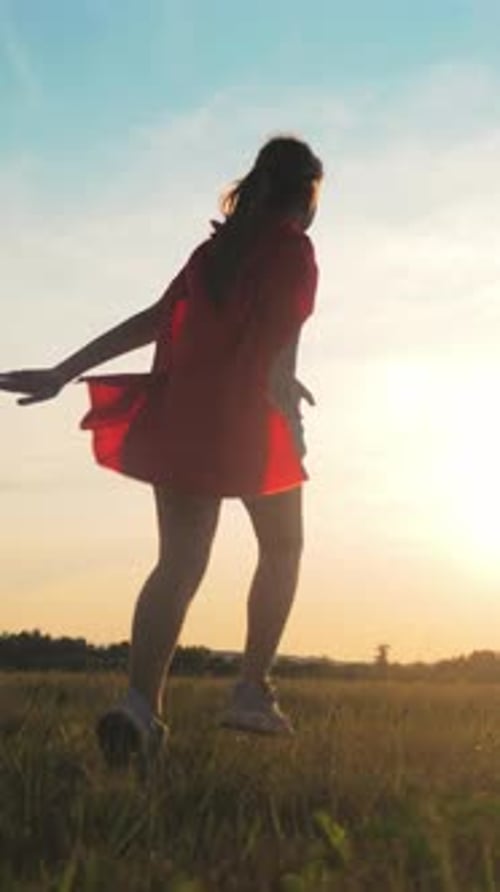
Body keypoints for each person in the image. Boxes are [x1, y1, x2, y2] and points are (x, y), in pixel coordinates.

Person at [0, 135, 323, 769]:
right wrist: (286, 408)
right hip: (245, 417)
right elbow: (278, 339)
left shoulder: (212, 252)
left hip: (180, 415)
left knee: (177, 565)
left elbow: (153, 318)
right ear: (306, 196)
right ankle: (251, 690)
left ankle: (139, 707)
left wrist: (63, 371)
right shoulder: (294, 251)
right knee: (283, 547)